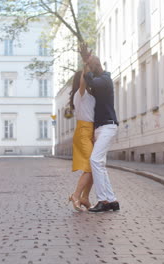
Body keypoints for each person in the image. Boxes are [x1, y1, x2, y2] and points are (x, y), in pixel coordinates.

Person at [83, 56, 120, 213]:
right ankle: (112, 200)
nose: (90, 71)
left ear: (97, 66)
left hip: (108, 126)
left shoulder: (105, 80)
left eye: (91, 67)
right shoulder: (99, 81)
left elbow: (91, 81)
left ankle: (102, 200)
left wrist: (87, 66)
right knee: (101, 165)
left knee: (95, 160)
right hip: (101, 127)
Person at [68, 66, 95, 211]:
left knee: (94, 167)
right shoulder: (80, 94)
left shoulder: (91, 96)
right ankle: (76, 195)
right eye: (87, 76)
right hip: (83, 131)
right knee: (90, 166)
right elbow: (84, 81)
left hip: (91, 131)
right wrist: (86, 63)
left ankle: (85, 197)